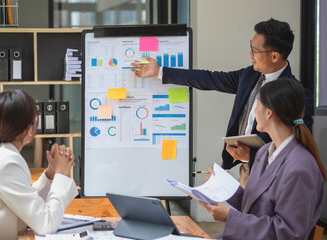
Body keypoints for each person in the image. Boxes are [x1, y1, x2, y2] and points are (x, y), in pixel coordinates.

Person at [131, 18, 314, 187]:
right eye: (250, 46)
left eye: (255, 50)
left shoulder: (295, 94)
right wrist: (160, 71)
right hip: (241, 171)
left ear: (274, 56)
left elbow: (297, 148)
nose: (250, 53)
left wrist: (251, 156)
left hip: (272, 175)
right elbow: (209, 79)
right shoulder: (250, 75)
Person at [198, 78, 326, 239]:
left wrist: (229, 217)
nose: (254, 111)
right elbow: (257, 204)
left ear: (268, 112)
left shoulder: (299, 168)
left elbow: (288, 233)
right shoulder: (264, 152)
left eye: (257, 104)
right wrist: (222, 187)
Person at [0, 90, 78, 239]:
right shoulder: (6, 163)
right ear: (29, 129)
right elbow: (46, 224)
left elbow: (23, 201)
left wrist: (51, 174)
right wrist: (62, 174)